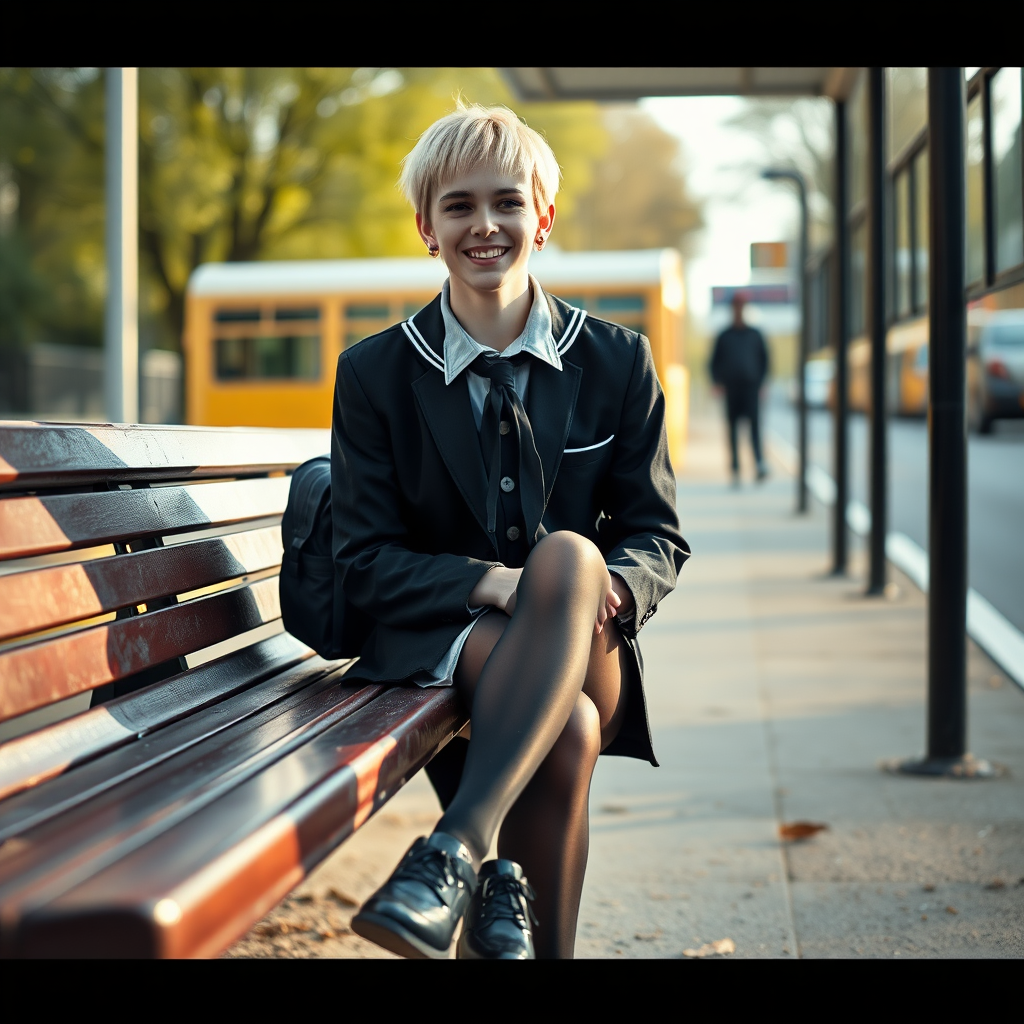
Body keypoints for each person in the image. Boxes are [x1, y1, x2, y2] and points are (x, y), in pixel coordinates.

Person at [332, 103, 689, 960]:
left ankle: (451, 853)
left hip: (589, 638)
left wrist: (598, 589)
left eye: (505, 202)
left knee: (571, 556)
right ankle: (486, 882)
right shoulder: (375, 373)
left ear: (544, 216)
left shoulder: (616, 360)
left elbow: (656, 535)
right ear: (426, 226)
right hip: (443, 643)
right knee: (563, 729)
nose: (484, 225)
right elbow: (364, 561)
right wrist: (494, 584)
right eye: (457, 206)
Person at [709, 292, 770, 483]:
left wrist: (762, 384)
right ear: (732, 309)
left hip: (751, 388)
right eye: (736, 306)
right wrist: (717, 382)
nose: (738, 309)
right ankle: (735, 468)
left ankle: (759, 464)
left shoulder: (755, 334)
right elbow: (713, 362)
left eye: (741, 306)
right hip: (731, 389)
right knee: (733, 429)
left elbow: (765, 360)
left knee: (755, 428)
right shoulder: (724, 335)